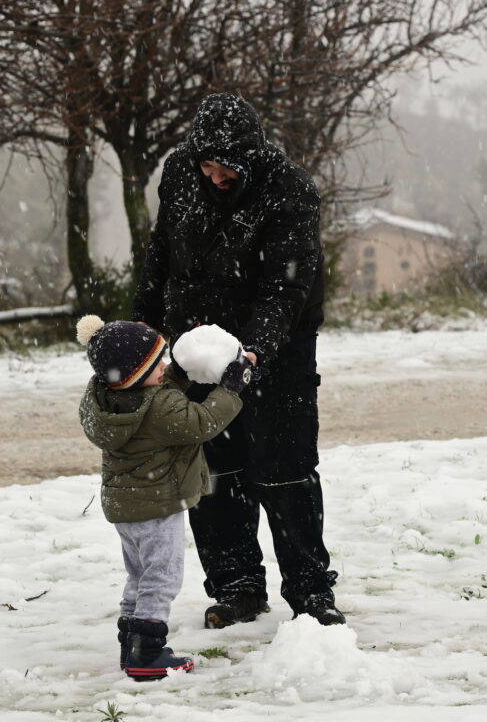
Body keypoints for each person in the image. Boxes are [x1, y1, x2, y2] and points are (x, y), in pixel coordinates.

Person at [133, 92, 344, 627]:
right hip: (196, 344)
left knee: (284, 468)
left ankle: (310, 593)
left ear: (250, 155)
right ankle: (237, 586)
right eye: (205, 164)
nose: (213, 176)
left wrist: (253, 352)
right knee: (212, 469)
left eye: (224, 167)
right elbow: (160, 257)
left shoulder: (289, 190)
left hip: (279, 347)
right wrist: (143, 334)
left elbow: (286, 289)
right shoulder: (180, 172)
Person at [76, 314, 252, 681]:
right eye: (158, 364)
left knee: (139, 575)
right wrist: (234, 387)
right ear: (137, 374)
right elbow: (202, 421)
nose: (165, 367)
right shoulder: (160, 410)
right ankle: (148, 651)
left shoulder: (109, 398)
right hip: (157, 505)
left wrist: (178, 373)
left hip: (126, 507)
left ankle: (132, 643)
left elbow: (155, 388)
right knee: (163, 576)